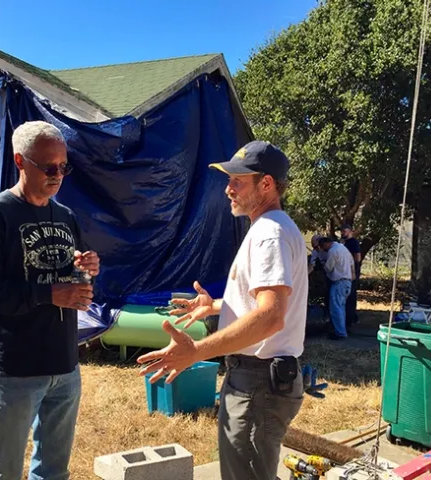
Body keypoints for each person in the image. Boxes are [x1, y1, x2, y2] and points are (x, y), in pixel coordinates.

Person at [137, 140, 308, 480]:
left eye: (238, 181)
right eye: (228, 179)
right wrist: (215, 305)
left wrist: (196, 351)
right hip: (260, 379)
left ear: (267, 184)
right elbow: (264, 305)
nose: (228, 189)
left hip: (258, 382)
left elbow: (272, 316)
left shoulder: (269, 234)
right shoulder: (272, 228)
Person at [0, 120, 100, 480]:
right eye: (48, 167)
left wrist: (86, 270)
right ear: (21, 162)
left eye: (63, 167)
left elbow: (72, 283)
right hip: (17, 368)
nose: (58, 176)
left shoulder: (65, 216)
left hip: (65, 364)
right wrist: (49, 294)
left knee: (54, 470)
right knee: (3, 470)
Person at [318, 237, 354, 340]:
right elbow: (351, 262)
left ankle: (340, 333)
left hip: (339, 282)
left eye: (322, 247)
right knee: (341, 307)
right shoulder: (343, 248)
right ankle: (342, 329)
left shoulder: (333, 251)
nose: (323, 250)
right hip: (347, 281)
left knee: (336, 308)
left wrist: (323, 266)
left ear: (325, 244)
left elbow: (329, 267)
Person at [340, 224, 362, 327]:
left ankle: (351, 319)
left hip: (352, 273)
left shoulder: (353, 243)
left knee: (351, 296)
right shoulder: (342, 243)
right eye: (342, 231)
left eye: (345, 231)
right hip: (344, 273)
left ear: (350, 232)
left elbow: (357, 258)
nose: (342, 233)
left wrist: (347, 261)